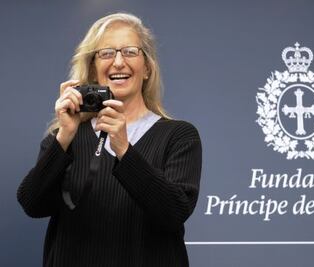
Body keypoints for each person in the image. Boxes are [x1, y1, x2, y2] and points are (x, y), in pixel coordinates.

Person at [17, 13, 202, 267]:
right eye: (106, 53)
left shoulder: (179, 136)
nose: (118, 62)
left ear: (147, 68)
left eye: (129, 51)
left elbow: (174, 212)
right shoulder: (65, 137)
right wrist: (65, 135)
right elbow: (32, 203)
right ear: (93, 68)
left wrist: (124, 149)